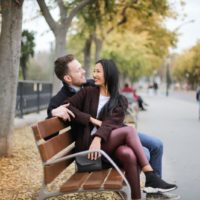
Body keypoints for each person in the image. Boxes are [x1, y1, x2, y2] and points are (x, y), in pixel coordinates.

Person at [63, 59, 177, 199]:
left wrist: (98, 137)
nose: (94, 74)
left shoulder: (120, 100)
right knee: (129, 131)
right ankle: (150, 174)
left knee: (128, 153)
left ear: (109, 74)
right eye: (94, 71)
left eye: (98, 71)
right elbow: (67, 105)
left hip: (106, 147)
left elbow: (111, 123)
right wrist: (90, 119)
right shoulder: (87, 92)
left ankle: (137, 196)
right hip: (89, 151)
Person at [47, 54, 167, 179]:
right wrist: (52, 112)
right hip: (96, 141)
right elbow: (49, 134)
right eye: (78, 70)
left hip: (112, 129)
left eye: (82, 68)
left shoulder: (91, 84)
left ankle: (154, 187)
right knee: (144, 153)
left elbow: (114, 99)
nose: (84, 71)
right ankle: (134, 186)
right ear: (68, 77)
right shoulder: (59, 100)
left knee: (157, 145)